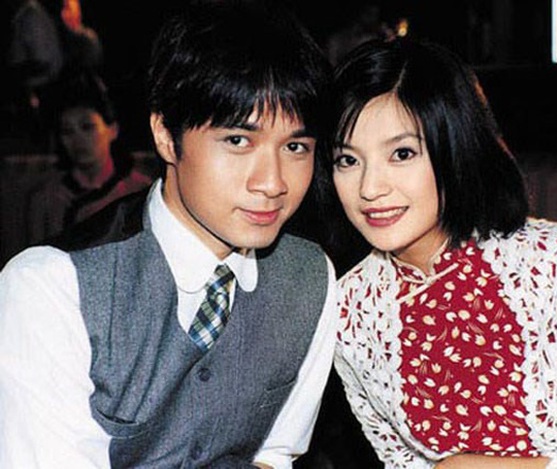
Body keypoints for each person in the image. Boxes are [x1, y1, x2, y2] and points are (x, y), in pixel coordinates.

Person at [0, 1, 337, 468]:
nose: (272, 182)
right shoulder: (52, 287)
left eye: (295, 146)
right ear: (164, 134)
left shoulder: (309, 279)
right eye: (238, 141)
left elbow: (275, 454)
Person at [325, 37, 557, 468]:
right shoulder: (351, 311)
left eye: (402, 153)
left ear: (456, 149)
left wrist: (470, 467)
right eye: (347, 160)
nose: (370, 187)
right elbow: (400, 462)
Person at [25, 71, 152, 244]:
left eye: (87, 127)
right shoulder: (46, 198)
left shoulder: (139, 191)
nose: (78, 140)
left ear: (112, 130)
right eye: (67, 131)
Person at [4, 0, 64, 147]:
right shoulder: (27, 14)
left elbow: (41, 60)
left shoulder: (31, 16)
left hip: (38, 86)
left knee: (39, 136)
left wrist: (14, 75)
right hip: (36, 84)